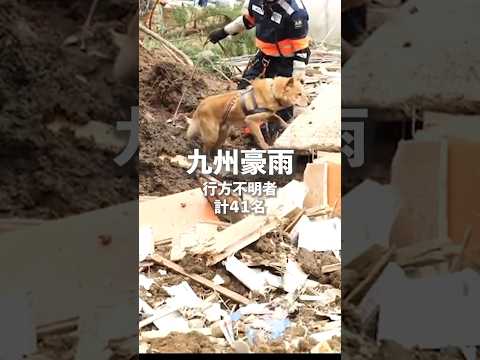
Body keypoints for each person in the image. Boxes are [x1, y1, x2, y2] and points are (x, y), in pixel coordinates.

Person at [208, 0, 310, 142]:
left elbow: (301, 52)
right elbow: (247, 20)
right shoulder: (257, 2)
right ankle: (245, 128)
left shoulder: (295, 13)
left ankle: (276, 137)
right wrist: (223, 32)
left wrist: (297, 81)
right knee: (244, 89)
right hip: (264, 56)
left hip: (288, 61)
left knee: (282, 104)